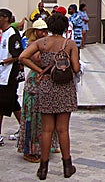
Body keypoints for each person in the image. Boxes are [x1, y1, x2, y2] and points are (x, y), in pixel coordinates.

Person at [19, 13, 80, 180]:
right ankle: (67, 166)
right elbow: (75, 68)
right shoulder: (70, 44)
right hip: (64, 88)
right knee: (63, 130)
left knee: (46, 129)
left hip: (46, 86)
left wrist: (40, 71)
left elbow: (23, 57)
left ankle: (43, 168)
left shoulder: (41, 43)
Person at [17, 19, 59, 163]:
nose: (44, 33)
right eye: (41, 30)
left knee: (46, 116)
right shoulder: (33, 44)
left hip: (46, 82)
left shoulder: (46, 43)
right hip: (35, 83)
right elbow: (35, 60)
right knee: (33, 117)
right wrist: (40, 70)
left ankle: (49, 146)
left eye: (46, 30)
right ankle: (30, 150)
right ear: (35, 32)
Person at [0, 8, 23, 147]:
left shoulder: (12, 34)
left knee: (1, 105)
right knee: (13, 102)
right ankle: (25, 129)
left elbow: (17, 55)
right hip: (2, 75)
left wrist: (4, 62)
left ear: (5, 18)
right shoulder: (3, 34)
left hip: (8, 75)